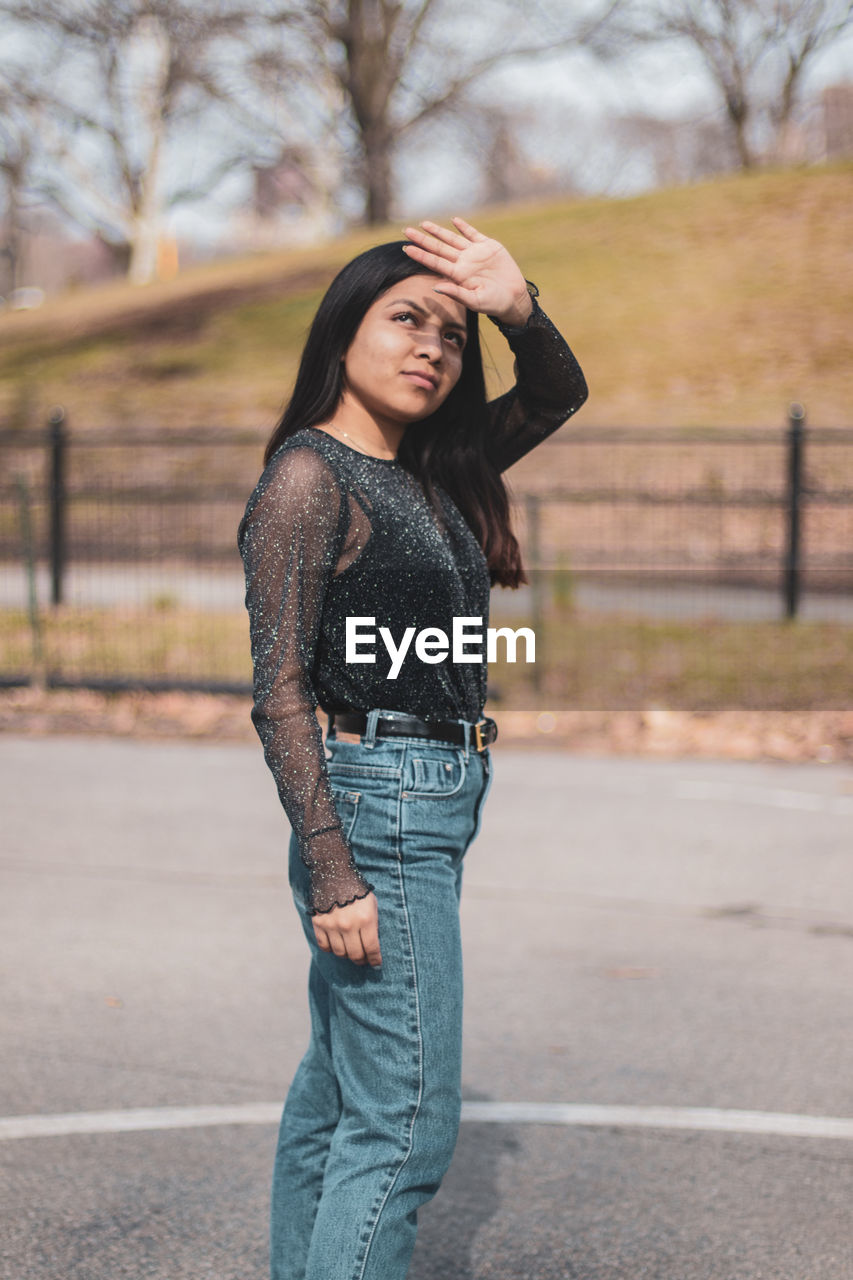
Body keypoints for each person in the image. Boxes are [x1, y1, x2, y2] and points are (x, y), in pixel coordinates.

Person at [237, 216, 588, 1280]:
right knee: (407, 1124)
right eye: (405, 318)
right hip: (376, 803)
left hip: (431, 791)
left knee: (342, 1090)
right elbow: (280, 689)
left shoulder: (442, 464)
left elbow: (556, 391)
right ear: (342, 329)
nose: (433, 345)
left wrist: (514, 305)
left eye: (450, 331)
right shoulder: (310, 477)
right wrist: (335, 871)